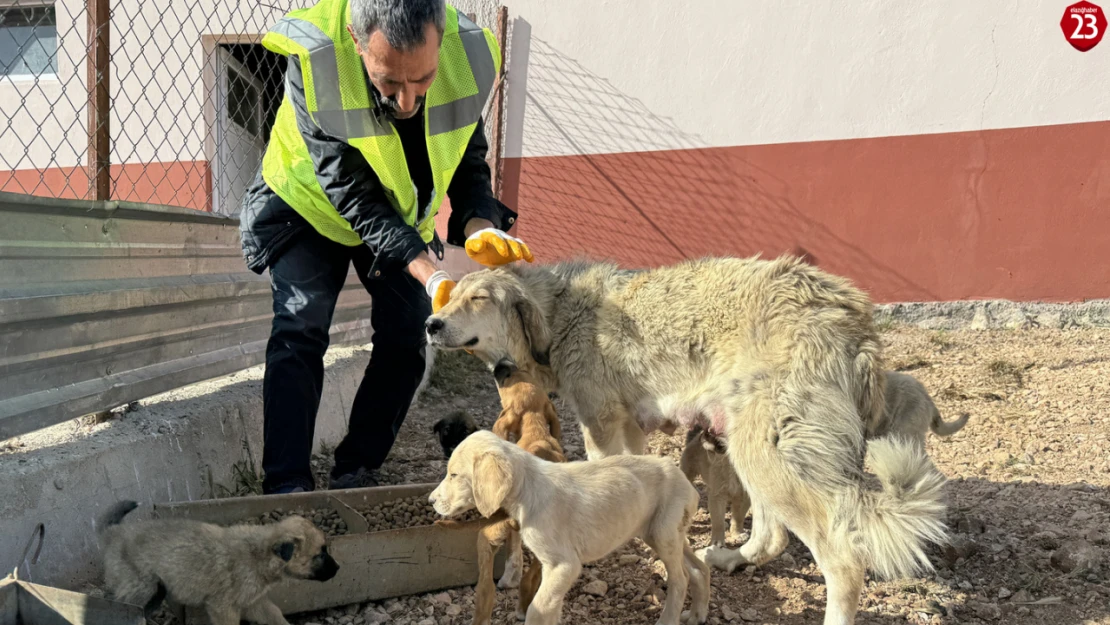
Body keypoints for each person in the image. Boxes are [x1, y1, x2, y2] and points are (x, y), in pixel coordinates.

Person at [238, 0, 532, 494]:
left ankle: (357, 466)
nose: (407, 102)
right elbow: (350, 191)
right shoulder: (316, 55)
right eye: (389, 82)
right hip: (309, 202)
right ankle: (286, 484)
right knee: (300, 329)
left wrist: (480, 219)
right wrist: (427, 270)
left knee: (407, 335)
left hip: (396, 212)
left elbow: (465, 153)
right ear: (357, 41)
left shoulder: (468, 54)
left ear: (440, 38)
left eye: (423, 81)